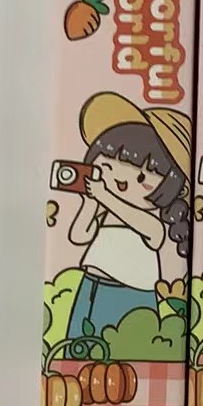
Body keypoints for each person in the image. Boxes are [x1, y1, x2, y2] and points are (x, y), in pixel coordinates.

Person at [65, 92, 191, 340]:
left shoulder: (150, 218)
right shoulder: (104, 203)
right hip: (92, 283)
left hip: (132, 294)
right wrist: (90, 203)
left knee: (127, 343)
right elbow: (79, 236)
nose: (121, 178)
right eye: (108, 166)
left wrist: (105, 197)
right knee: (82, 344)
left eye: (142, 176)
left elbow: (153, 232)